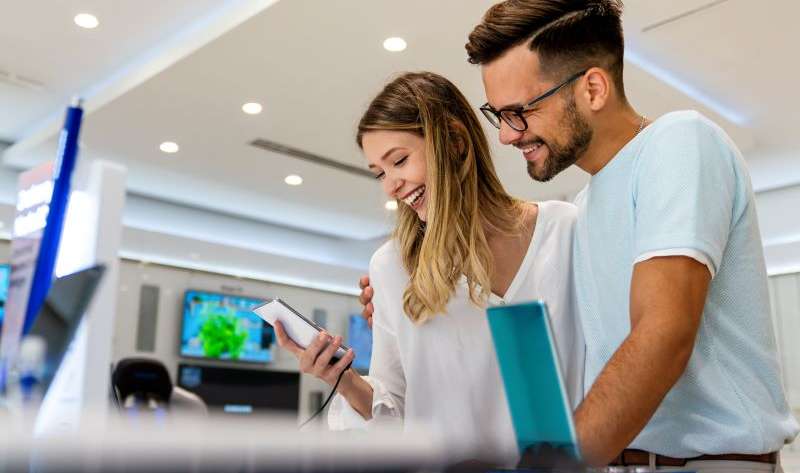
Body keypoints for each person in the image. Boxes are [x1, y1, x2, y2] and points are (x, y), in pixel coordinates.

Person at [359, 1, 799, 471]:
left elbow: (662, 334)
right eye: (498, 115)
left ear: (592, 88)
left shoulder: (679, 142)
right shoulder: (584, 209)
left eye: (520, 112)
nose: (507, 136)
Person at [274, 71, 584, 467]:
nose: (391, 186)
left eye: (399, 161)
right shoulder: (393, 266)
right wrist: (342, 380)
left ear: (454, 141)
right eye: (380, 173)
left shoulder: (563, 229)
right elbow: (394, 413)